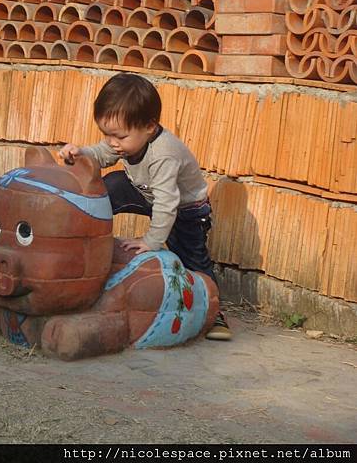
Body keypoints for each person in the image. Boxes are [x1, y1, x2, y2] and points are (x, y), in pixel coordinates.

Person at [59, 72, 231, 340]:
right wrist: (81, 153)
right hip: (148, 194)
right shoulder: (123, 143)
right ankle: (84, 237)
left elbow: (167, 201)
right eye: (107, 135)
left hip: (185, 209)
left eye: (119, 136)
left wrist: (151, 241)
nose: (113, 142)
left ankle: (215, 313)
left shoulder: (164, 154)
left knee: (193, 259)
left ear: (149, 127)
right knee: (112, 185)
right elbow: (102, 154)